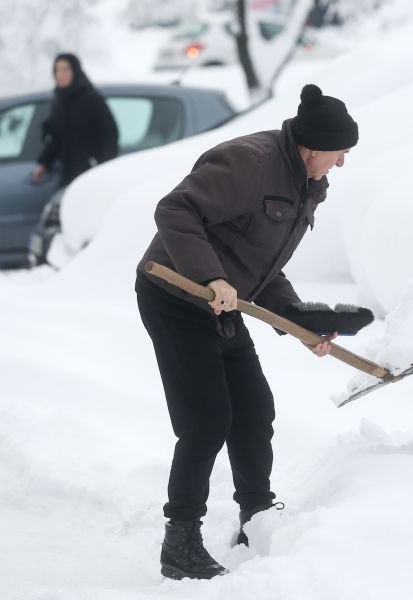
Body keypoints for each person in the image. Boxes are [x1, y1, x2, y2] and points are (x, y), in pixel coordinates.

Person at [135, 84, 359, 580]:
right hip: (175, 295)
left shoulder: (305, 183)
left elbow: (260, 264)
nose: (342, 163)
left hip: (221, 303)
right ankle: (180, 542)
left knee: (254, 410)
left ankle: (256, 519)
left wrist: (297, 319)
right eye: (340, 153)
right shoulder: (249, 163)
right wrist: (210, 276)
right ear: (314, 147)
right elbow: (175, 210)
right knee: (206, 420)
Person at [32, 53, 119, 186]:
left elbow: (110, 133)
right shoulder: (59, 100)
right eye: (57, 70)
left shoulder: (91, 98)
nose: (60, 74)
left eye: (65, 69)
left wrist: (104, 167)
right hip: (67, 172)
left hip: (91, 171)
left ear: (75, 71)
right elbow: (57, 138)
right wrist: (44, 163)